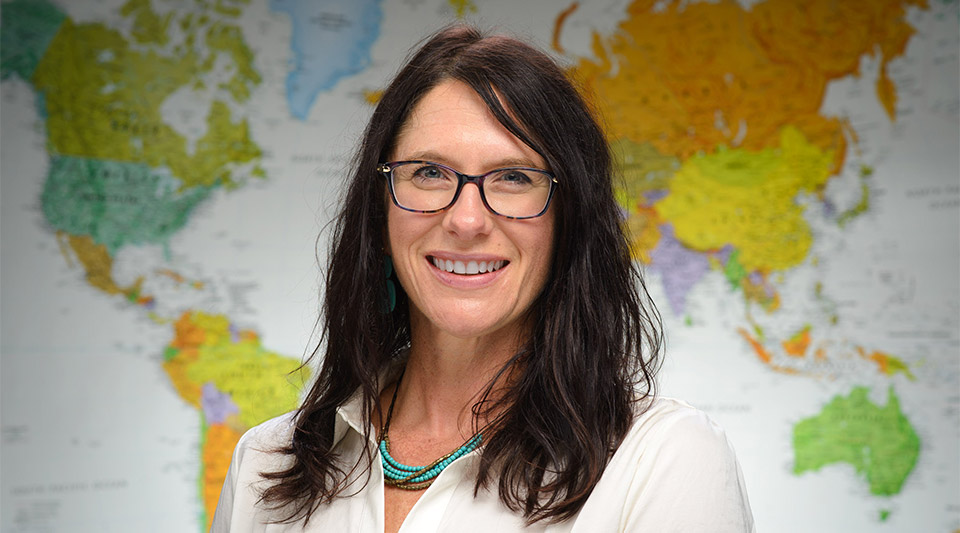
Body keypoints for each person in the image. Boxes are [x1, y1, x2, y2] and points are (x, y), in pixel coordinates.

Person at [211, 25, 754, 532]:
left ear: (570, 221)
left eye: (514, 177)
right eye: (429, 172)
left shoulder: (665, 459)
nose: (466, 220)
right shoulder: (265, 465)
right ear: (379, 214)